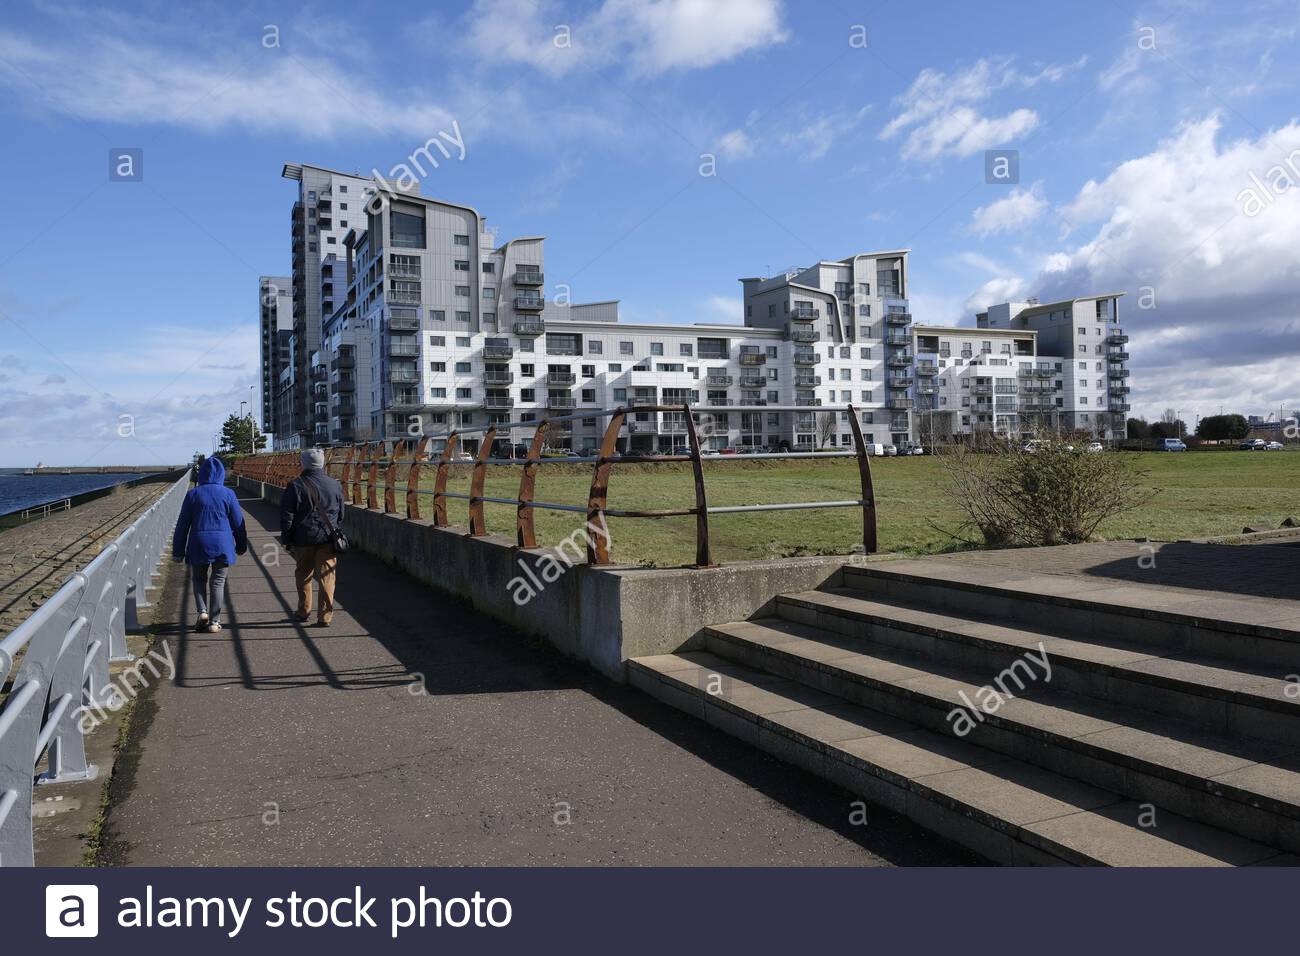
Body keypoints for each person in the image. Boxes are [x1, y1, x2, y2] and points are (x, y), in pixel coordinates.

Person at [172, 456, 247, 633]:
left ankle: (202, 612)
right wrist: (242, 545)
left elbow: (182, 525)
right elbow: (238, 523)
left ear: (202, 474)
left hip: (198, 543)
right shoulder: (228, 494)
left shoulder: (193, 494)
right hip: (223, 544)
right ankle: (214, 621)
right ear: (221, 474)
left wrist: (178, 551)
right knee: (218, 582)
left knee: (198, 579)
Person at [279, 447, 344, 627]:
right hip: (328, 537)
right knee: (327, 577)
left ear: (304, 463)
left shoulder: (296, 485)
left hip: (303, 538)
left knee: (303, 574)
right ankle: (325, 616)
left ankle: (303, 611)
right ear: (322, 463)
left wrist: (286, 539)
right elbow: (341, 514)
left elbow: (287, 516)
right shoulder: (335, 484)